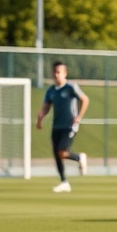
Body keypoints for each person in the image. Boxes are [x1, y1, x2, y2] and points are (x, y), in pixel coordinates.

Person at [36, 61, 89, 193]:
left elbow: (85, 100)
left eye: (59, 72)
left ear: (65, 73)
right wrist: (40, 117)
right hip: (56, 126)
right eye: (54, 72)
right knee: (57, 155)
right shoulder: (51, 91)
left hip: (69, 125)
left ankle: (79, 158)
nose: (56, 74)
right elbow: (46, 106)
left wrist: (79, 117)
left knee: (62, 151)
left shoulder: (70, 87)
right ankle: (64, 182)